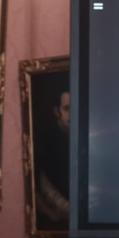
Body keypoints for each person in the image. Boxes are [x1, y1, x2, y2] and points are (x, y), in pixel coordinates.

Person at [35, 90, 70, 230]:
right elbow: (43, 186)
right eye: (67, 109)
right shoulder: (47, 142)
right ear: (57, 111)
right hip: (56, 220)